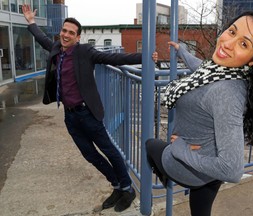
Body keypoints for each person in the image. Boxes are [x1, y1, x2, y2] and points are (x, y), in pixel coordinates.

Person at [22, 4, 158, 213]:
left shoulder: (85, 52)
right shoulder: (57, 49)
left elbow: (114, 58)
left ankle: (128, 189)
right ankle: (117, 186)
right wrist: (31, 21)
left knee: (109, 151)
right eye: (64, 31)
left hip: (88, 114)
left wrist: (145, 57)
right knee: (89, 155)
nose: (66, 35)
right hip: (70, 117)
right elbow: (42, 39)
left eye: (71, 33)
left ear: (78, 37)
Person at [146, 10, 253, 216]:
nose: (228, 43)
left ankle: (167, 177)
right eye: (232, 31)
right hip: (210, 169)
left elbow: (233, 170)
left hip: (189, 166)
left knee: (150, 145)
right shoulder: (227, 72)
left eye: (244, 44)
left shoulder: (225, 93)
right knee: (201, 212)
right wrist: (182, 51)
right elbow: (203, 69)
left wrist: (180, 149)